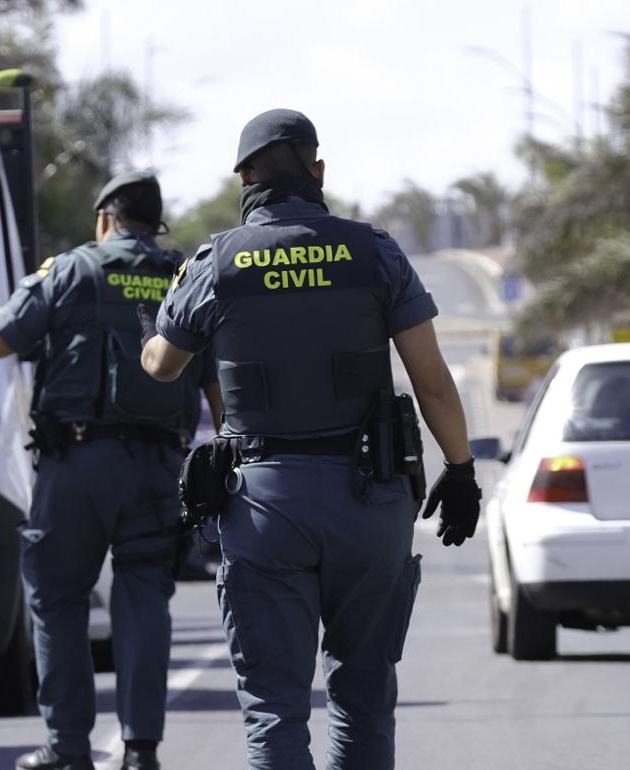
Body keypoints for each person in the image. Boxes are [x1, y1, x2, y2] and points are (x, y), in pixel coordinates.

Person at [140, 109, 481, 770]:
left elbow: (163, 364)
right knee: (363, 696)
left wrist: (169, 311)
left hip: (264, 505)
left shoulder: (219, 262)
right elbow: (433, 381)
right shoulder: (374, 250)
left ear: (243, 178)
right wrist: (462, 469)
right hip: (368, 500)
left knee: (275, 707)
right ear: (318, 171)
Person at [0, 171, 223, 770]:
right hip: (159, 467)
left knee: (58, 597)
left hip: (79, 465)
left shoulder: (71, 271)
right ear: (155, 222)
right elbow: (217, 377)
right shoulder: (184, 275)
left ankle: (68, 748)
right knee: (145, 599)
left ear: (105, 219)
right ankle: (142, 750)